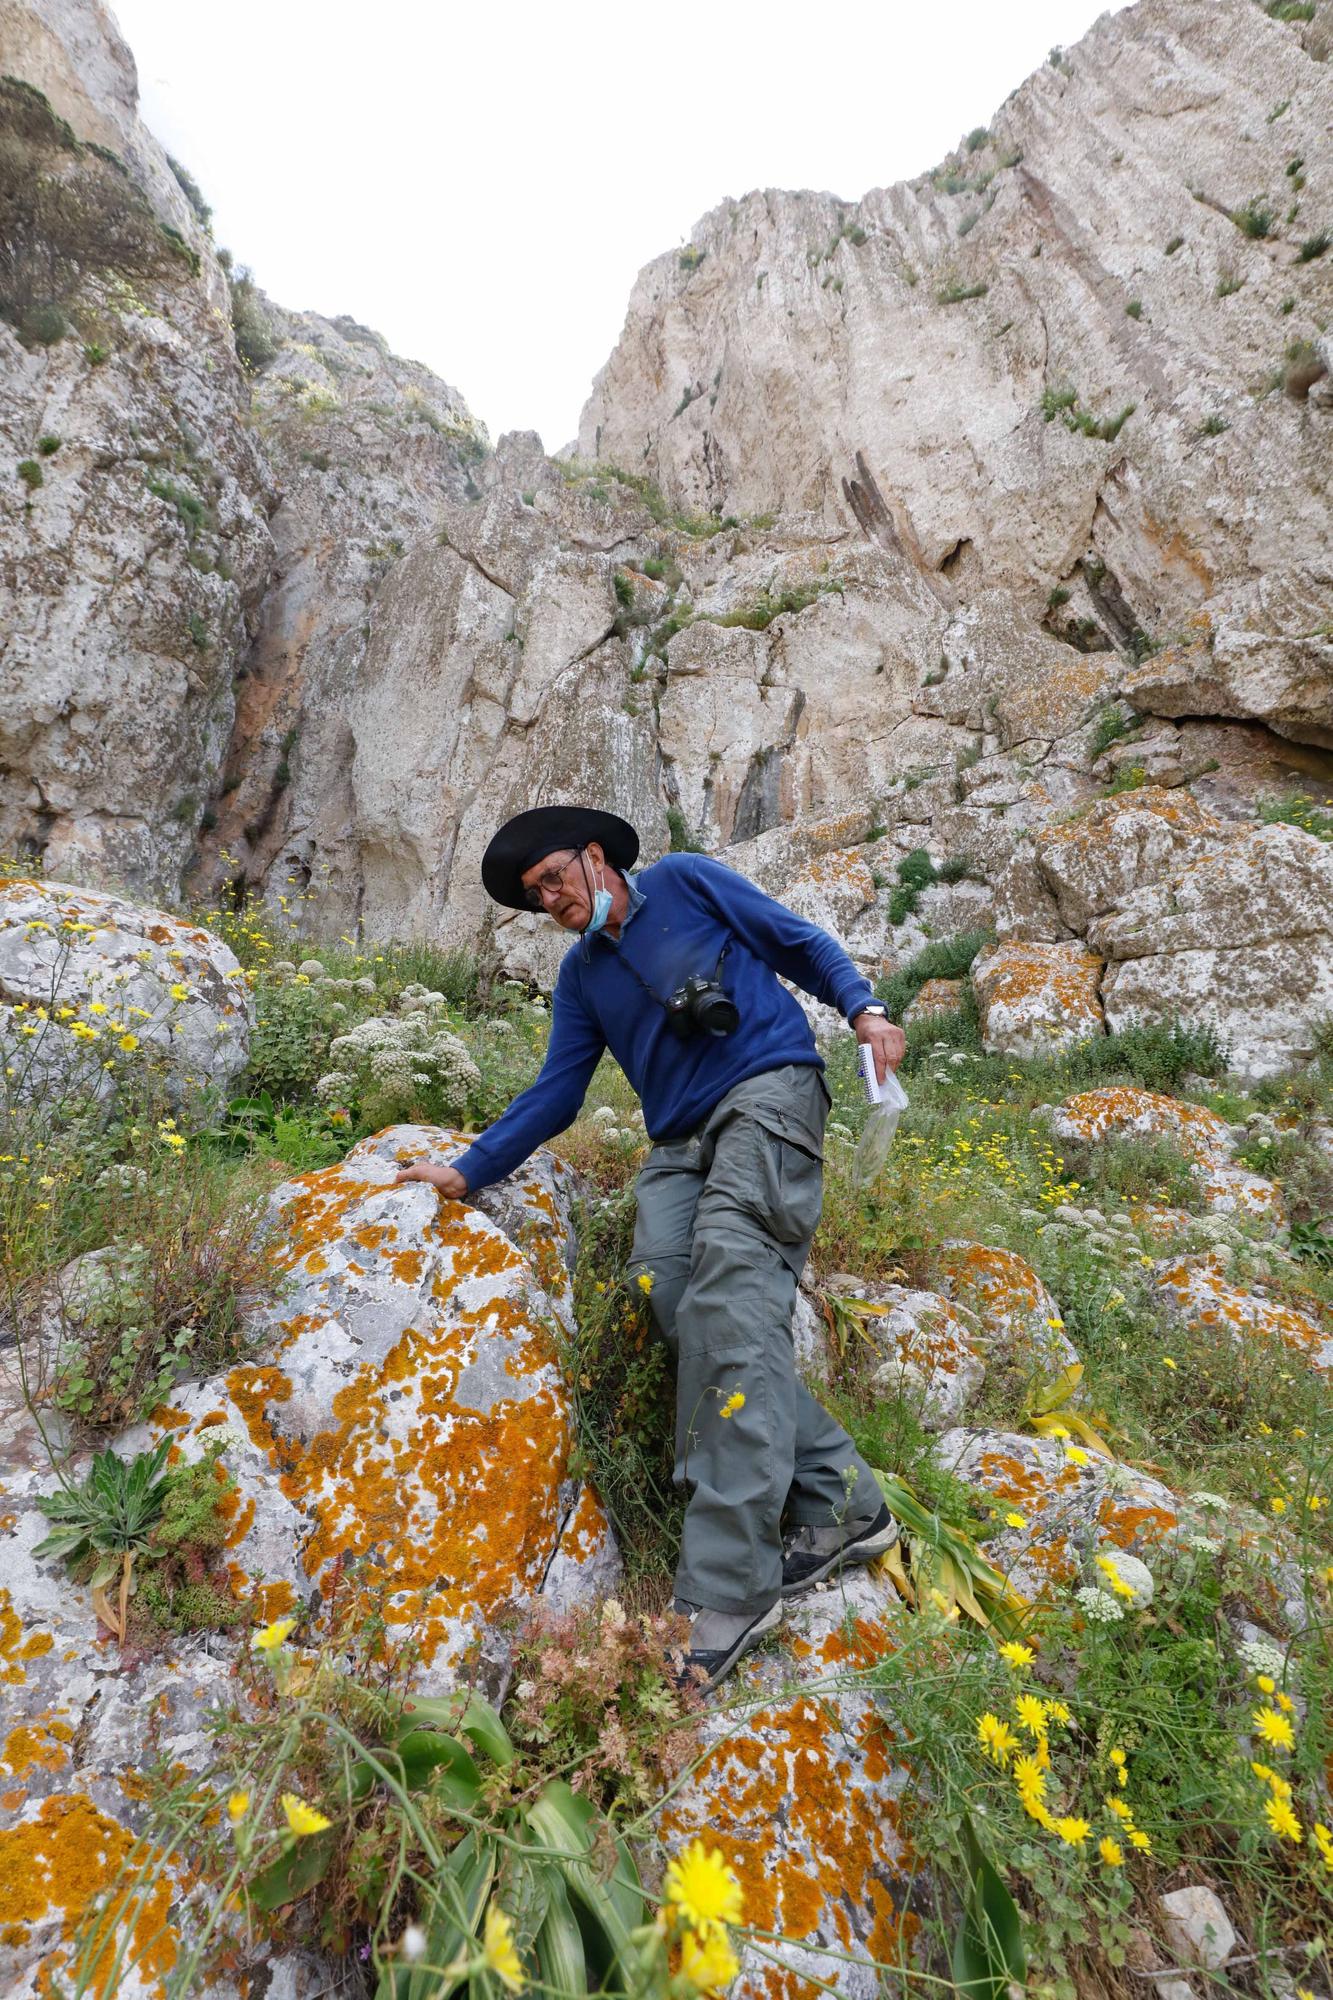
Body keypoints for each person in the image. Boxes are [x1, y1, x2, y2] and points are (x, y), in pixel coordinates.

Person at [394, 805, 906, 1686]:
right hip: (678, 1143)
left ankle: (727, 1587)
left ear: (595, 857)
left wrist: (862, 1008)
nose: (549, 899)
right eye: (534, 896)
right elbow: (557, 1092)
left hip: (770, 1093)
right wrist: (467, 1169)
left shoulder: (685, 882)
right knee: (664, 1290)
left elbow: (797, 942)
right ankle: (844, 1503)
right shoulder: (583, 975)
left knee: (730, 1293)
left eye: (555, 877)